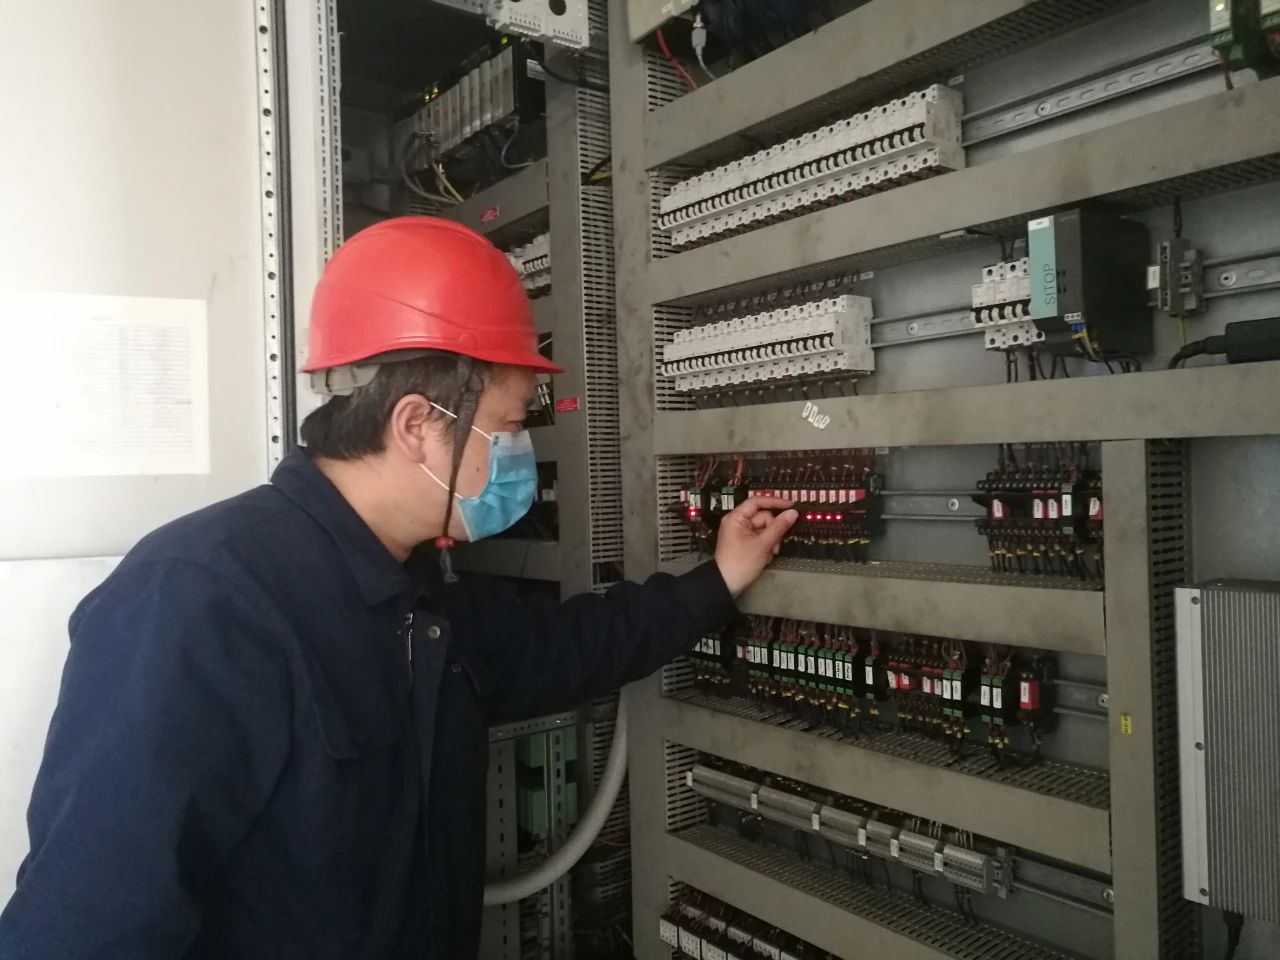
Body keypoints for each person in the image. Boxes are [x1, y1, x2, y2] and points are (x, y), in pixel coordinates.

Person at [0, 217, 797, 959]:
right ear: (417, 425)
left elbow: (565, 646)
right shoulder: (199, 599)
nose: (520, 454)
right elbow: (87, 925)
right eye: (510, 427)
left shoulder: (420, 594)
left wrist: (718, 578)